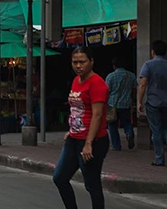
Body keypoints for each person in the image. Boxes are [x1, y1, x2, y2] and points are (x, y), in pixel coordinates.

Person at [53, 46, 109, 209]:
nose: (78, 66)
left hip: (93, 141)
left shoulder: (97, 83)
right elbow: (76, 109)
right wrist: (71, 130)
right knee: (60, 178)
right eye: (75, 62)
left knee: (92, 185)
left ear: (91, 62)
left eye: (82, 62)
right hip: (74, 139)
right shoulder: (76, 81)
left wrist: (89, 143)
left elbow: (97, 115)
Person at [137, 40, 167, 166]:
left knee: (156, 130)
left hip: (153, 102)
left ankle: (159, 158)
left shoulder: (148, 65)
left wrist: (139, 101)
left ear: (153, 52)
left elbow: (143, 83)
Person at [105, 56, 137, 150]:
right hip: (126, 104)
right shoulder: (131, 75)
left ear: (114, 65)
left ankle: (116, 145)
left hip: (112, 104)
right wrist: (133, 100)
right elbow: (134, 90)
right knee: (127, 122)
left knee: (112, 125)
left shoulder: (110, 76)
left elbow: (107, 91)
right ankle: (129, 133)